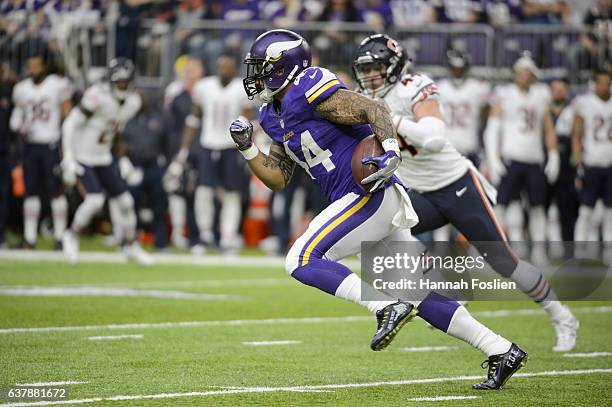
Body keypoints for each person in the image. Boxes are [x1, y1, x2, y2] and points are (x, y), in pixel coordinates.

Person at [230, 29, 527, 390]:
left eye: (262, 68)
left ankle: (383, 306)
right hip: (362, 199)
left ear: (284, 67)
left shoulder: (308, 85)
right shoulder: (271, 114)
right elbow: (277, 178)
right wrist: (247, 148)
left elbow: (374, 108)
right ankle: (501, 349)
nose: (256, 76)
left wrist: (390, 149)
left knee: (301, 259)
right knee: (416, 292)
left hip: (367, 191)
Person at [353, 34, 578, 352]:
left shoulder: (414, 86)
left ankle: (562, 316)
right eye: (365, 70)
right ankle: (444, 288)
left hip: (456, 185)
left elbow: (434, 139)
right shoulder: (364, 97)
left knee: (504, 263)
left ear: (394, 67)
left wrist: (391, 119)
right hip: (419, 190)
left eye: (376, 68)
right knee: (385, 236)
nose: (369, 76)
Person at [60, 57, 153, 265]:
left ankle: (129, 245)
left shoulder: (132, 102)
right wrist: (68, 157)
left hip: (103, 157)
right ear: (111, 81)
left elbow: (115, 131)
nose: (122, 85)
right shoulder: (97, 96)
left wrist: (122, 159)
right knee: (95, 201)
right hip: (83, 156)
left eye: (125, 81)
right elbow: (69, 125)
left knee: (126, 202)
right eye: (118, 81)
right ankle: (71, 234)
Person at [165, 54, 252, 253]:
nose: (224, 70)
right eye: (221, 67)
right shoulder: (204, 87)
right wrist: (184, 151)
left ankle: (228, 236)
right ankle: (205, 234)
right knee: (204, 192)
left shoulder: (241, 88)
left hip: (231, 148)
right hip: (208, 145)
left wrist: (248, 149)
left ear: (234, 68)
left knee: (231, 194)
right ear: (216, 68)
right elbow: (193, 120)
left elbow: (248, 120)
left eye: (228, 67)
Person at [484, 53, 560, 265]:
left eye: (527, 73)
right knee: (500, 207)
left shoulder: (541, 95)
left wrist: (553, 155)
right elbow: (492, 129)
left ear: (533, 75)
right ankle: (494, 252)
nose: (523, 76)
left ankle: (538, 249)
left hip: (533, 159)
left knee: (537, 208)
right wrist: (493, 158)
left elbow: (548, 129)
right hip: (511, 158)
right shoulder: (505, 94)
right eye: (520, 72)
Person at [10, 51, 72, 249]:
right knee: (30, 192)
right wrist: (19, 126)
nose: (33, 70)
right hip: (30, 145)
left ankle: (60, 237)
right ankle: (30, 237)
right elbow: (17, 116)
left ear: (45, 67)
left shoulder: (56, 84)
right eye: (30, 66)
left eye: (36, 66)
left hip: (51, 144)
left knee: (56, 191)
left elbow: (67, 113)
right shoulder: (21, 89)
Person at [572, 69, 612, 264]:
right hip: (592, 163)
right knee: (586, 209)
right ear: (595, 84)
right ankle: (580, 250)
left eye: (608, 82)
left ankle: (608, 251)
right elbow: (576, 135)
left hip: (610, 164)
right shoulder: (585, 103)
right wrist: (578, 162)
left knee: (610, 211)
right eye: (602, 82)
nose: (605, 86)